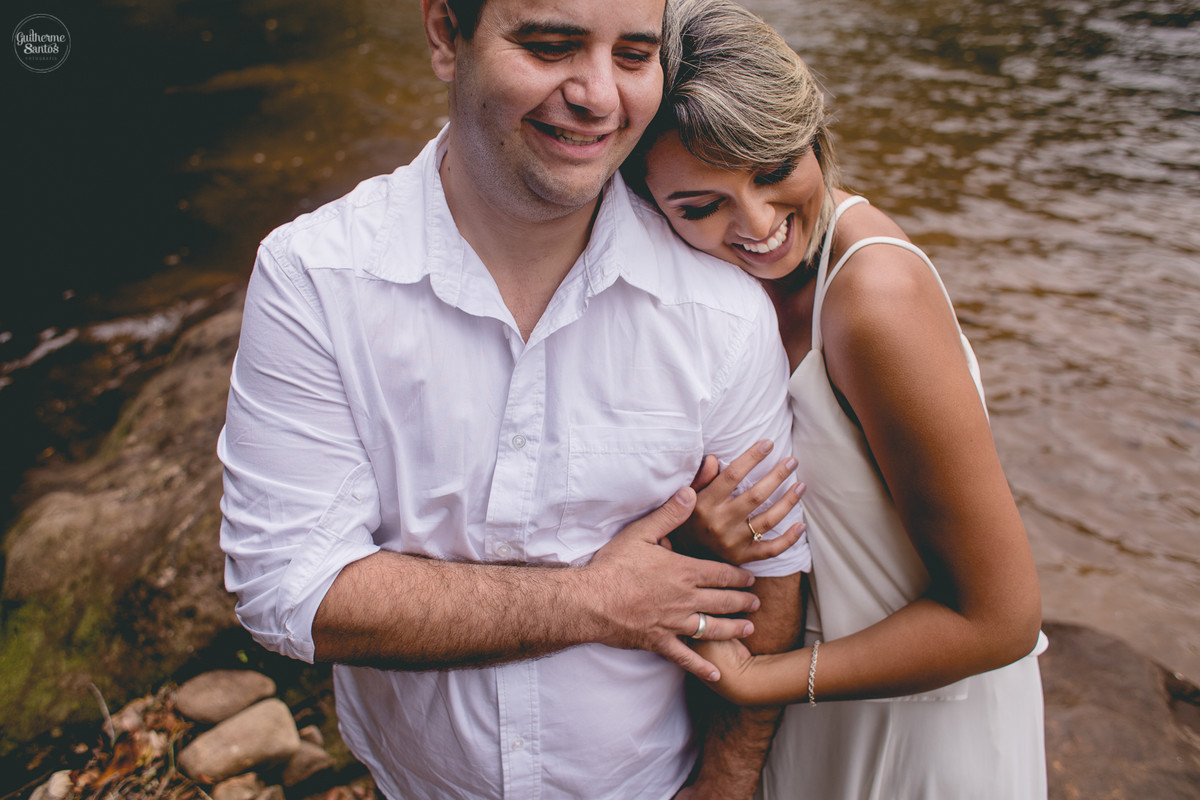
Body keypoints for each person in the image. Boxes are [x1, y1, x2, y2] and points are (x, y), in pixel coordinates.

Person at [217, 0, 811, 797]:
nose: (600, 95)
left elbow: (772, 576)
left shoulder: (721, 312)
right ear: (444, 36)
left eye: (633, 55)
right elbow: (289, 589)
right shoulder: (316, 279)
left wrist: (725, 783)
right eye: (551, 45)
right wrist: (593, 601)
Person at [624, 0, 1048, 796]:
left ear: (813, 134)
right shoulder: (710, 295)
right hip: (813, 699)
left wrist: (756, 683)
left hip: (919, 721)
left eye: (774, 168)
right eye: (699, 206)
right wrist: (703, 528)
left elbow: (1002, 618)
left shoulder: (872, 302)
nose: (757, 226)